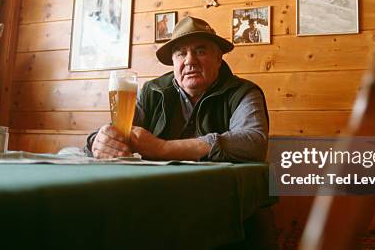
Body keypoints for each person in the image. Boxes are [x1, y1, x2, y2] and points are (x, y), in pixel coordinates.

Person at [84, 16, 269, 162]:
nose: (189, 61)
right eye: (181, 53)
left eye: (200, 51)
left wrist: (161, 148)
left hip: (221, 197)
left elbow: (253, 143)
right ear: (173, 62)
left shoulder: (243, 92)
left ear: (218, 59)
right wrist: (97, 142)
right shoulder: (152, 91)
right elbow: (118, 132)